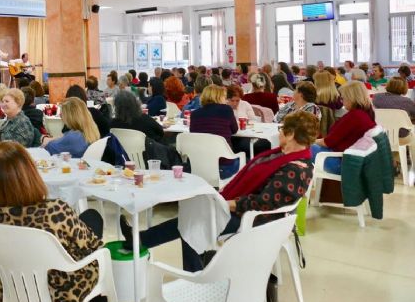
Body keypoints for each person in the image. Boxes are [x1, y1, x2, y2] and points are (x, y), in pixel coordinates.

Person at [119, 111, 318, 272]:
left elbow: (266, 202)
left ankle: (193, 274)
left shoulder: (293, 168)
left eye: (283, 129)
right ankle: (142, 241)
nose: (280, 132)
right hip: (251, 211)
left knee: (194, 222)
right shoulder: (286, 157)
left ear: (291, 134)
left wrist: (229, 203)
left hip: (258, 219)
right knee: (193, 215)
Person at [0, 141, 111, 302]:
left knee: (85, 228)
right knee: (92, 232)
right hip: (60, 290)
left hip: (12, 287)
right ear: (29, 172)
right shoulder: (54, 210)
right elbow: (91, 244)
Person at [311, 81, 376, 174]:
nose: (342, 101)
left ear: (351, 98)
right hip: (356, 162)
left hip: (344, 164)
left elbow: (327, 142)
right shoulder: (366, 113)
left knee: (302, 146)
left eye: (343, 98)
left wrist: (309, 141)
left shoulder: (354, 116)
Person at [190, 85, 239, 179]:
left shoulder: (195, 114)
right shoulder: (226, 110)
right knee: (245, 158)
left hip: (199, 167)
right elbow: (235, 130)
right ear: (220, 97)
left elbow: (193, 134)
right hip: (223, 167)